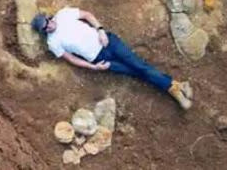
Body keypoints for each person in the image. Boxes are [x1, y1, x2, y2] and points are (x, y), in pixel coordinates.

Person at [31, 7, 194, 110]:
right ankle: (177, 85)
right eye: (44, 28)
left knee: (140, 66)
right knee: (135, 72)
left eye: (47, 23)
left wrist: (100, 30)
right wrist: (93, 67)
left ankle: (173, 89)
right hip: (98, 59)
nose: (48, 27)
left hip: (108, 42)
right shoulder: (53, 42)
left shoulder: (63, 14)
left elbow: (87, 15)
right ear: (43, 31)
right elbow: (71, 58)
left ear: (48, 18)